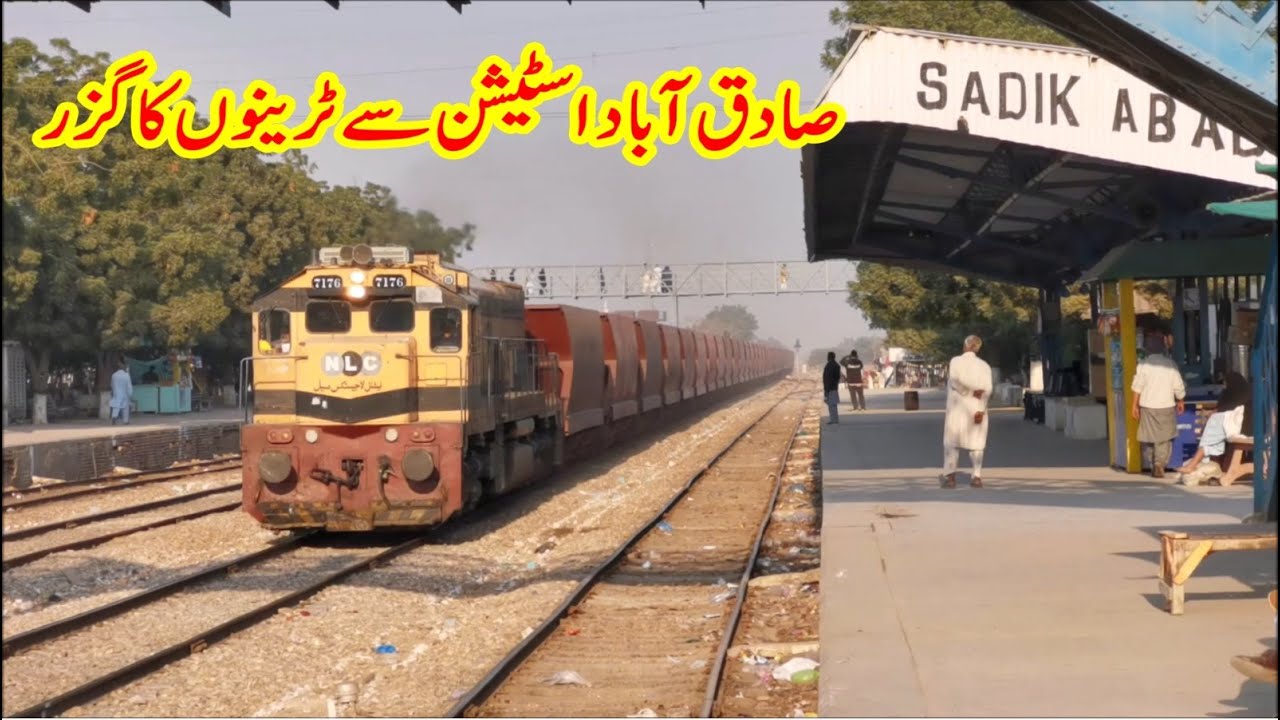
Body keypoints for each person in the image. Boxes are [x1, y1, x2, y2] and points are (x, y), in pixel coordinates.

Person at [1175, 372, 1251, 486]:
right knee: (1216, 427)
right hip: (1239, 429)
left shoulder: (1238, 394)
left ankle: (1193, 465)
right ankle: (1219, 469)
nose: (1224, 386)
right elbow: (1223, 408)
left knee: (1214, 425)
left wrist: (1212, 415)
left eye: (1225, 383)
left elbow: (1225, 408)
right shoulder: (1241, 391)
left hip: (1246, 430)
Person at [1131, 332, 1186, 479]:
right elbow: (1178, 387)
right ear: (1163, 347)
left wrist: (1134, 406)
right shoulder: (1170, 365)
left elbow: (1137, 387)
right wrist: (1180, 401)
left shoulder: (1143, 365)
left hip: (1147, 406)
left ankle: (1151, 463)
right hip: (1166, 406)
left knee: (1148, 437)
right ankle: (1159, 464)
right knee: (1163, 438)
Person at [942, 335, 993, 489]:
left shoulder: (955, 361)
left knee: (951, 443)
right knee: (977, 444)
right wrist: (979, 396)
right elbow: (988, 389)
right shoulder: (984, 365)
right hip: (977, 408)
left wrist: (968, 392)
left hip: (957, 408)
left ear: (965, 346)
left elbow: (955, 381)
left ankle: (950, 478)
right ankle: (976, 476)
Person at [822, 351, 844, 425]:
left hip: (829, 387)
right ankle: (834, 419)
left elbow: (827, 377)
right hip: (833, 387)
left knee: (831, 405)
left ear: (829, 357)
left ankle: (834, 420)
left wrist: (826, 388)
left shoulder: (828, 365)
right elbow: (837, 377)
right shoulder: (836, 365)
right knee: (832, 404)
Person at [109, 361, 133, 426]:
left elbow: (112, 385)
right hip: (124, 393)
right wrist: (130, 393)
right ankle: (126, 420)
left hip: (116, 393)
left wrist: (113, 392)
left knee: (116, 406)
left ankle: (114, 416)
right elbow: (129, 385)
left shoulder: (114, 375)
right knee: (126, 407)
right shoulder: (126, 375)